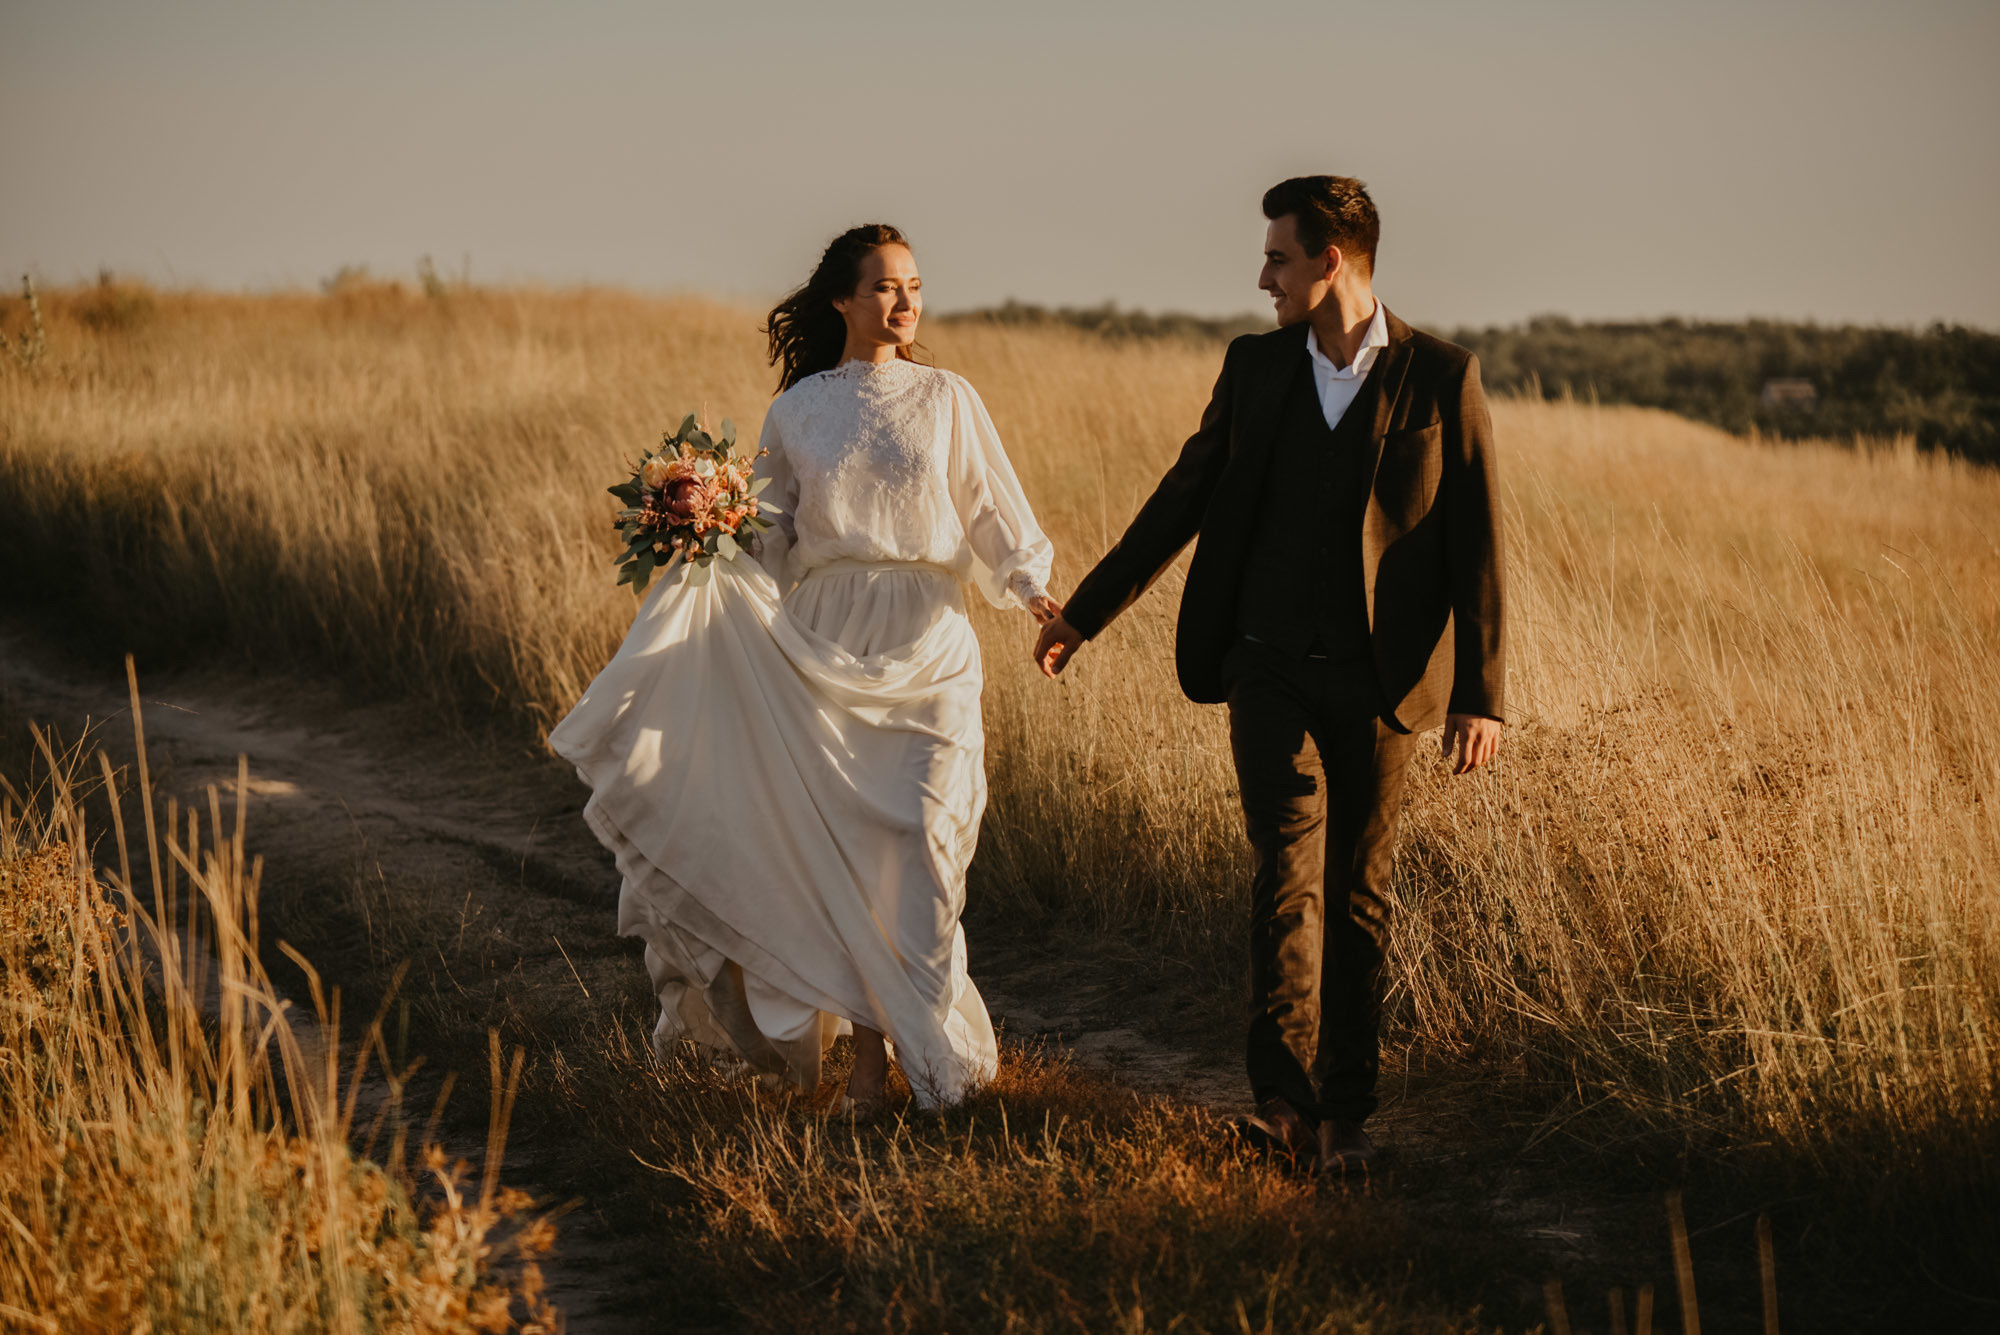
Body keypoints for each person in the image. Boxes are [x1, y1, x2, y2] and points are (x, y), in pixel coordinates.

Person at [1032, 176, 1506, 1172]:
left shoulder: (1439, 377)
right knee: (1286, 878)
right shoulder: (1254, 369)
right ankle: (1283, 1109)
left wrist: (1479, 694)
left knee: (1358, 896)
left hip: (1384, 686)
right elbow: (1183, 497)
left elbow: (1476, 542)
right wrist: (1085, 610)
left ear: (1331, 258)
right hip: (1266, 666)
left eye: (1277, 259)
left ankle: (1344, 1118)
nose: (1263, 279)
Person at [551, 224, 1058, 1113]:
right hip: (826, 640)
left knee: (931, 846)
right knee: (853, 861)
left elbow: (991, 508)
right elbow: (770, 535)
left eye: (914, 286)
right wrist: (704, 522)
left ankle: (928, 1050)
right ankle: (868, 1071)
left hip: (929, 638)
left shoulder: (947, 396)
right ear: (843, 300)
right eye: (885, 288)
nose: (905, 303)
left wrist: (1034, 590)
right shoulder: (800, 411)